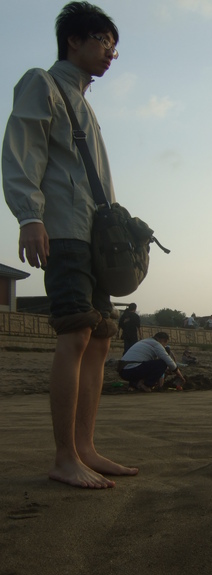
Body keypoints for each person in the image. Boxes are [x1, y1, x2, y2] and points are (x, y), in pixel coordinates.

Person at [2, 2, 138, 488]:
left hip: (94, 238)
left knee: (100, 339)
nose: (110, 52)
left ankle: (86, 447)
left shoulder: (85, 104)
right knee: (76, 334)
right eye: (102, 40)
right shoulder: (42, 82)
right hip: (60, 229)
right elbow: (23, 149)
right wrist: (30, 216)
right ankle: (64, 457)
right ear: (73, 41)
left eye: (113, 44)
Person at [118, 332, 185, 392]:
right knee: (162, 363)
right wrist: (180, 376)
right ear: (164, 340)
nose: (164, 347)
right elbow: (169, 362)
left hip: (123, 371)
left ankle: (133, 385)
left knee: (141, 364)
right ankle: (147, 385)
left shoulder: (144, 341)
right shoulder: (156, 344)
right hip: (133, 370)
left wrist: (164, 371)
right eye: (165, 344)